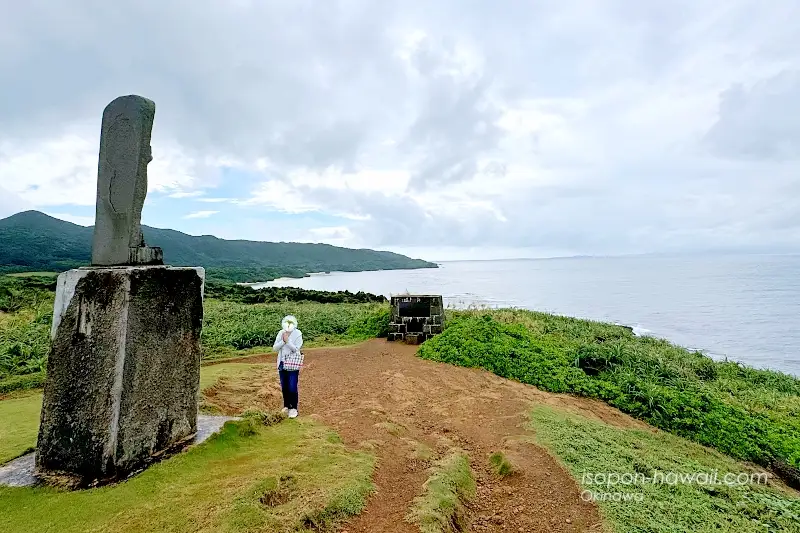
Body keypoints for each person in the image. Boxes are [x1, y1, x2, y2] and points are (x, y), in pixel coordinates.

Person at [273, 315, 303, 418]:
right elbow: (275, 348)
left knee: (292, 387)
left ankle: (293, 408)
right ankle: (286, 406)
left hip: (292, 364)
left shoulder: (298, 333)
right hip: (282, 363)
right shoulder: (281, 333)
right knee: (284, 386)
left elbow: (296, 349)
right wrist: (283, 341)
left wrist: (288, 341)